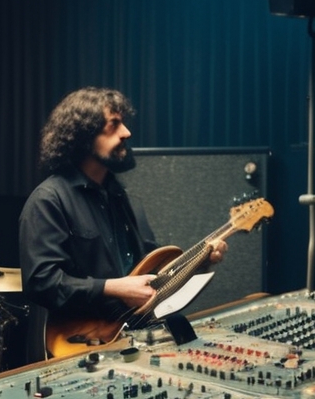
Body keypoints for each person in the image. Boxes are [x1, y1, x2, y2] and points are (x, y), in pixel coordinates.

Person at [18, 87, 221, 326]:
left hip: (131, 332)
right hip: (81, 340)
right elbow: (41, 282)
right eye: (113, 124)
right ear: (82, 135)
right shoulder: (48, 200)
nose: (126, 132)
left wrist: (200, 261)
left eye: (123, 123)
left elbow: (152, 271)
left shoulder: (122, 198)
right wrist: (113, 288)